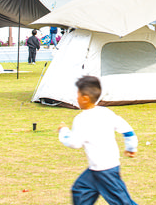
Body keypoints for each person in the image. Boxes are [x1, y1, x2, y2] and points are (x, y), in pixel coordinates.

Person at [58, 76, 138, 205]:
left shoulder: (81, 119)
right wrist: (131, 147)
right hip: (96, 169)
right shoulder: (106, 113)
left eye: (77, 95)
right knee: (80, 190)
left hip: (105, 170)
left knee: (123, 202)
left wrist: (63, 131)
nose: (76, 98)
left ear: (85, 98)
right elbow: (127, 130)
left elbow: (74, 143)